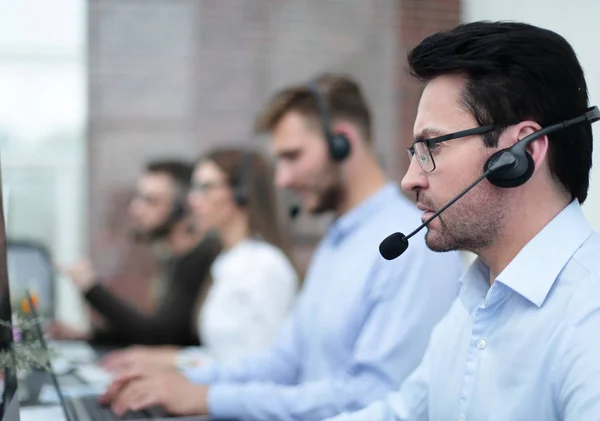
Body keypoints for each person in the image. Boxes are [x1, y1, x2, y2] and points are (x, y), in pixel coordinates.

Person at [98, 73, 464, 420]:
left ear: (342, 142)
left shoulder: (409, 243)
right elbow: (284, 362)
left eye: (292, 156)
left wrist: (209, 397)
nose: (283, 179)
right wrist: (182, 382)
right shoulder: (338, 240)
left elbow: (373, 396)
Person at [314, 21, 600, 421]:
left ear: (523, 152)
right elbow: (402, 414)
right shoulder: (473, 301)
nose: (409, 178)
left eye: (432, 146)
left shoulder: (588, 319)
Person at [99, 147, 299, 370]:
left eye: (205, 188)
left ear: (241, 193)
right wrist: (171, 360)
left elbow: (264, 368)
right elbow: (225, 356)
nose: (192, 200)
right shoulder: (228, 261)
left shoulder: (263, 266)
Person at [47, 160, 222, 346]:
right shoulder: (175, 258)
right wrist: (88, 336)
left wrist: (91, 289)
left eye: (151, 200)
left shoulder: (203, 257)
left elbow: (160, 337)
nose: (136, 209)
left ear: (183, 209)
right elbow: (160, 330)